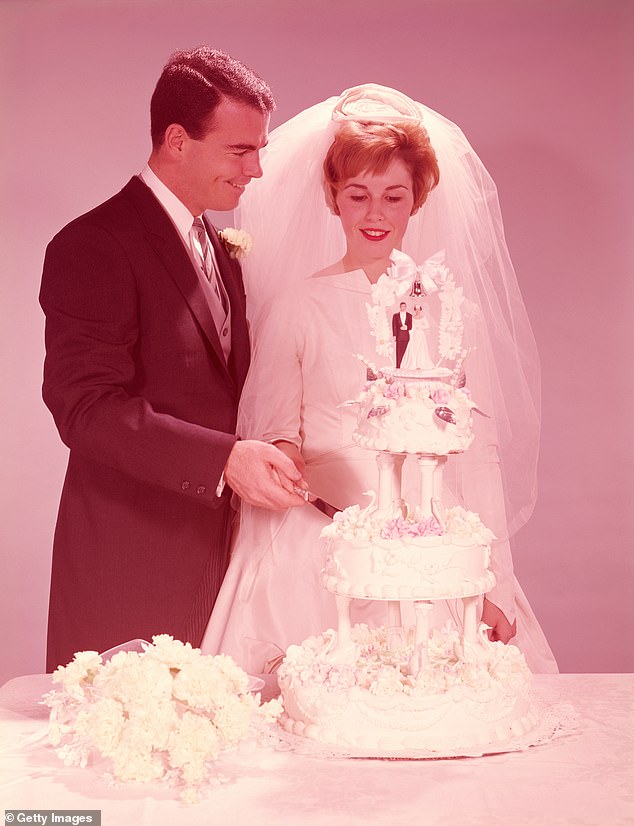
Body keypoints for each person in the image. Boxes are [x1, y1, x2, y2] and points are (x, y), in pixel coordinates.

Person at [202, 84, 557, 675]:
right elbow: (274, 433)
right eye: (357, 195)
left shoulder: (452, 312)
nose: (374, 214)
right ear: (334, 199)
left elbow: (479, 453)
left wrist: (497, 577)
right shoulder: (298, 304)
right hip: (318, 534)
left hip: (431, 538)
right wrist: (299, 475)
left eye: (393, 196)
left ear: (416, 201)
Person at [39, 47, 306, 672]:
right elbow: (85, 409)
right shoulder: (92, 245)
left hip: (223, 566)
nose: (258, 170)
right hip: (131, 564)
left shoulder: (220, 244)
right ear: (177, 141)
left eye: (260, 149)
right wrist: (224, 460)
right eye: (241, 151)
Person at [400, 303, 433, 370]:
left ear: (420, 310)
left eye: (419, 310)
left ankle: (420, 363)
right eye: (416, 310)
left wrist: (420, 327)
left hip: (420, 334)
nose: (417, 311)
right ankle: (414, 363)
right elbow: (411, 325)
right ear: (415, 310)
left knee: (420, 348)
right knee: (413, 348)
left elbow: (427, 325)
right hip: (414, 334)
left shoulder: (423, 317)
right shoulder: (412, 317)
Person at [392, 301, 413, 367]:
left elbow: (411, 326)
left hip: (406, 336)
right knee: (398, 351)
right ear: (400, 307)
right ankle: (398, 365)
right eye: (402, 306)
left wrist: (406, 327)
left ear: (406, 307)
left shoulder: (409, 315)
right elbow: (394, 326)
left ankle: (404, 365)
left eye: (404, 306)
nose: (403, 308)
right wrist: (395, 335)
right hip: (399, 336)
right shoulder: (395, 315)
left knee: (405, 351)